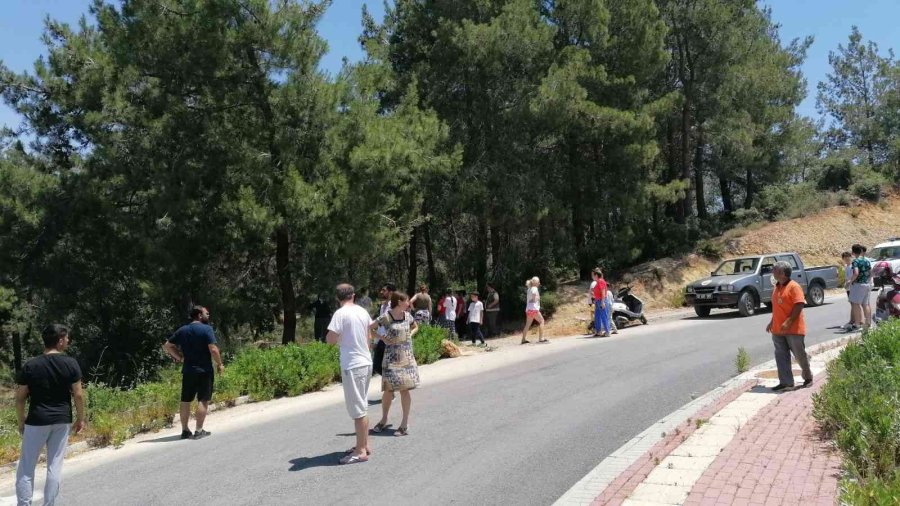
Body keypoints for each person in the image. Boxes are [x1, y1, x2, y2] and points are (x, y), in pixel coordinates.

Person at [15, 324, 85, 506]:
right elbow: (78, 394)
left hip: (37, 420)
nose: (68, 341)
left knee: (26, 467)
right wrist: (81, 418)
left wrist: (21, 420)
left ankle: (24, 504)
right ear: (60, 340)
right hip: (62, 420)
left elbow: (20, 398)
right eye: (67, 338)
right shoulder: (71, 363)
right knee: (54, 466)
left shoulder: (31, 365)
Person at [326, 284, 374, 464]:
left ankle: (360, 450)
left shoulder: (340, 314)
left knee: (357, 409)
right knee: (362, 405)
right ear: (353, 295)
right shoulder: (362, 311)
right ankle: (364, 443)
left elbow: (330, 340)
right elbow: (370, 336)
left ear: (337, 297)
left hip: (352, 365)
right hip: (366, 361)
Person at [163, 306, 225, 440]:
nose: (208, 316)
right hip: (204, 371)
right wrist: (220, 364)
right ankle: (199, 430)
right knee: (203, 400)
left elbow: (167, 346)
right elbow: (213, 349)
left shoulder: (183, 330)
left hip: (188, 371)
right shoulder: (206, 329)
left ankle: (185, 430)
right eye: (206, 314)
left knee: (185, 400)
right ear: (199, 315)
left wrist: (179, 358)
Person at [369, 292, 420, 437]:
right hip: (391, 357)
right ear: (399, 302)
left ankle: (404, 424)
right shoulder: (386, 317)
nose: (409, 303)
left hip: (407, 357)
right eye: (407, 301)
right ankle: (384, 419)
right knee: (388, 390)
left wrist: (411, 333)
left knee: (405, 390)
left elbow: (415, 326)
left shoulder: (407, 315)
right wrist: (382, 338)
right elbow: (370, 329)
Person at [766, 261, 813, 391]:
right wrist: (772, 322)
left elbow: (799, 304)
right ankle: (786, 382)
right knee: (781, 355)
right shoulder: (777, 287)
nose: (772, 272)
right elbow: (777, 308)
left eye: (774, 270)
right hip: (778, 329)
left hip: (793, 329)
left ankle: (808, 377)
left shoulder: (794, 287)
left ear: (781, 273)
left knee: (799, 354)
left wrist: (788, 321)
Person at [847, 244, 872, 331]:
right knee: (865, 304)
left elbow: (856, 273)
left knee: (855, 304)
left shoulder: (856, 261)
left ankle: (857, 324)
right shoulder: (867, 261)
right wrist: (867, 280)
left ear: (853, 252)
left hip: (858, 285)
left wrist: (850, 281)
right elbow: (871, 273)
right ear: (861, 251)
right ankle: (868, 323)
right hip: (866, 284)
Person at [373, 283, 396, 376]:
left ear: (390, 292)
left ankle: (391, 386)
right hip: (382, 339)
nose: (381, 292)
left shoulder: (395, 305)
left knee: (389, 365)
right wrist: (375, 342)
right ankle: (391, 384)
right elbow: (380, 326)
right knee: (377, 365)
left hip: (391, 339)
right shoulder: (383, 306)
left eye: (384, 290)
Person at [521, 277, 548, 344]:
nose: (539, 283)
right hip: (534, 309)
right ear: (536, 283)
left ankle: (523, 339)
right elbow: (534, 294)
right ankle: (541, 338)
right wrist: (534, 299)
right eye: (538, 282)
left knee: (527, 324)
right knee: (542, 321)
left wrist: (534, 299)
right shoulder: (534, 288)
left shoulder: (529, 289)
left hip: (528, 309)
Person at [591, 269, 612, 337]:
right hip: (598, 301)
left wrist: (603, 302)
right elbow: (598, 292)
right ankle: (598, 331)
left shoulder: (601, 281)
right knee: (597, 317)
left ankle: (607, 332)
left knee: (604, 316)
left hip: (601, 301)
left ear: (596, 275)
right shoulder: (597, 282)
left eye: (593, 275)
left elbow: (603, 292)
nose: (592, 276)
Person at [841, 251, 854, 330]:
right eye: (845, 258)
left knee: (854, 305)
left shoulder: (852, 266)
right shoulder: (846, 266)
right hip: (848, 288)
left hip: (853, 287)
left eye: (848, 257)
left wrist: (849, 282)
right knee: (852, 304)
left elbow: (853, 277)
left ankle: (852, 321)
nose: (846, 259)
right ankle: (853, 320)